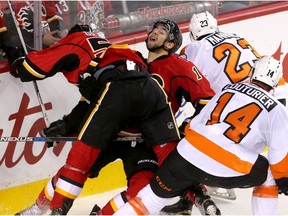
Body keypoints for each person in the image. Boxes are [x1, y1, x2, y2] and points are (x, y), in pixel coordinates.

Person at [114, 55, 288, 215]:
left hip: (185, 154)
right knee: (269, 175)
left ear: (252, 73)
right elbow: (280, 156)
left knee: (149, 199)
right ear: (275, 82)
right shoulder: (277, 109)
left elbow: (194, 123)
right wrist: (284, 180)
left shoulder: (228, 89)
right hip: (226, 165)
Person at [94, 18, 220, 216]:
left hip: (155, 139)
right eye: (154, 29)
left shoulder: (179, 65)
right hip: (123, 137)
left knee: (143, 187)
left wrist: (187, 125)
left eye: (161, 31)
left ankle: (198, 196)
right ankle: (46, 205)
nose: (154, 32)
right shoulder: (135, 63)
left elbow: (207, 100)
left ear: (170, 43)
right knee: (78, 171)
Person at [181, 10, 288, 106]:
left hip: (239, 99)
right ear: (216, 27)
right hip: (272, 89)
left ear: (192, 33)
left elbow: (180, 74)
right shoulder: (234, 36)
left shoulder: (191, 49)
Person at [0, 1, 68, 66]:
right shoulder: (3, 4)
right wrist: (40, 39)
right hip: (26, 60)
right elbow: (9, 37)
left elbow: (53, 21)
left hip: (50, 55)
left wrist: (59, 34)